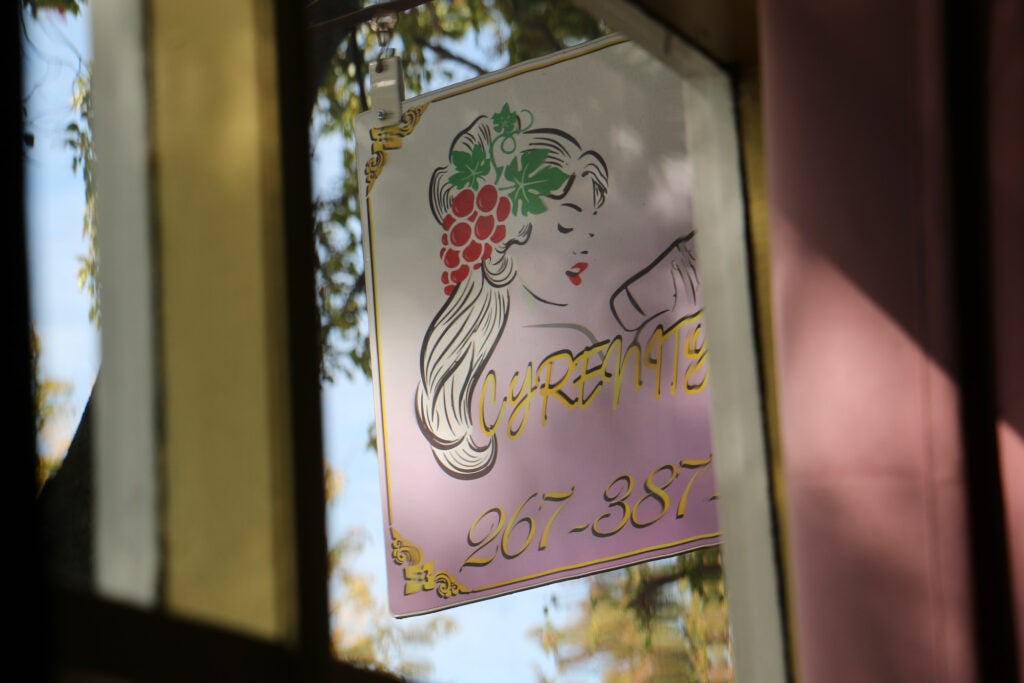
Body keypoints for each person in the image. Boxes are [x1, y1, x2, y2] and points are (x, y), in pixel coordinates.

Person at [415, 108, 609, 479]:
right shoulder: (485, 357)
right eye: (568, 222)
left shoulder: (589, 338)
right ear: (512, 230)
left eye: (591, 224)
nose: (587, 243)